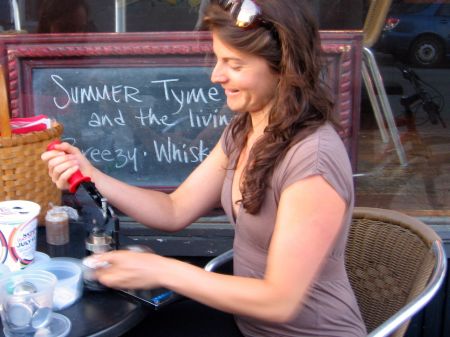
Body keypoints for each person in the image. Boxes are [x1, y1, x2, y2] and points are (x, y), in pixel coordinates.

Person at [42, 0, 366, 336]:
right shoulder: (246, 129)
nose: (216, 75)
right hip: (247, 324)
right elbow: (174, 209)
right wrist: (91, 173)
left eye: (234, 64)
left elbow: (279, 301)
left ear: (284, 68)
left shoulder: (313, 160)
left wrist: (164, 270)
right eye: (218, 59)